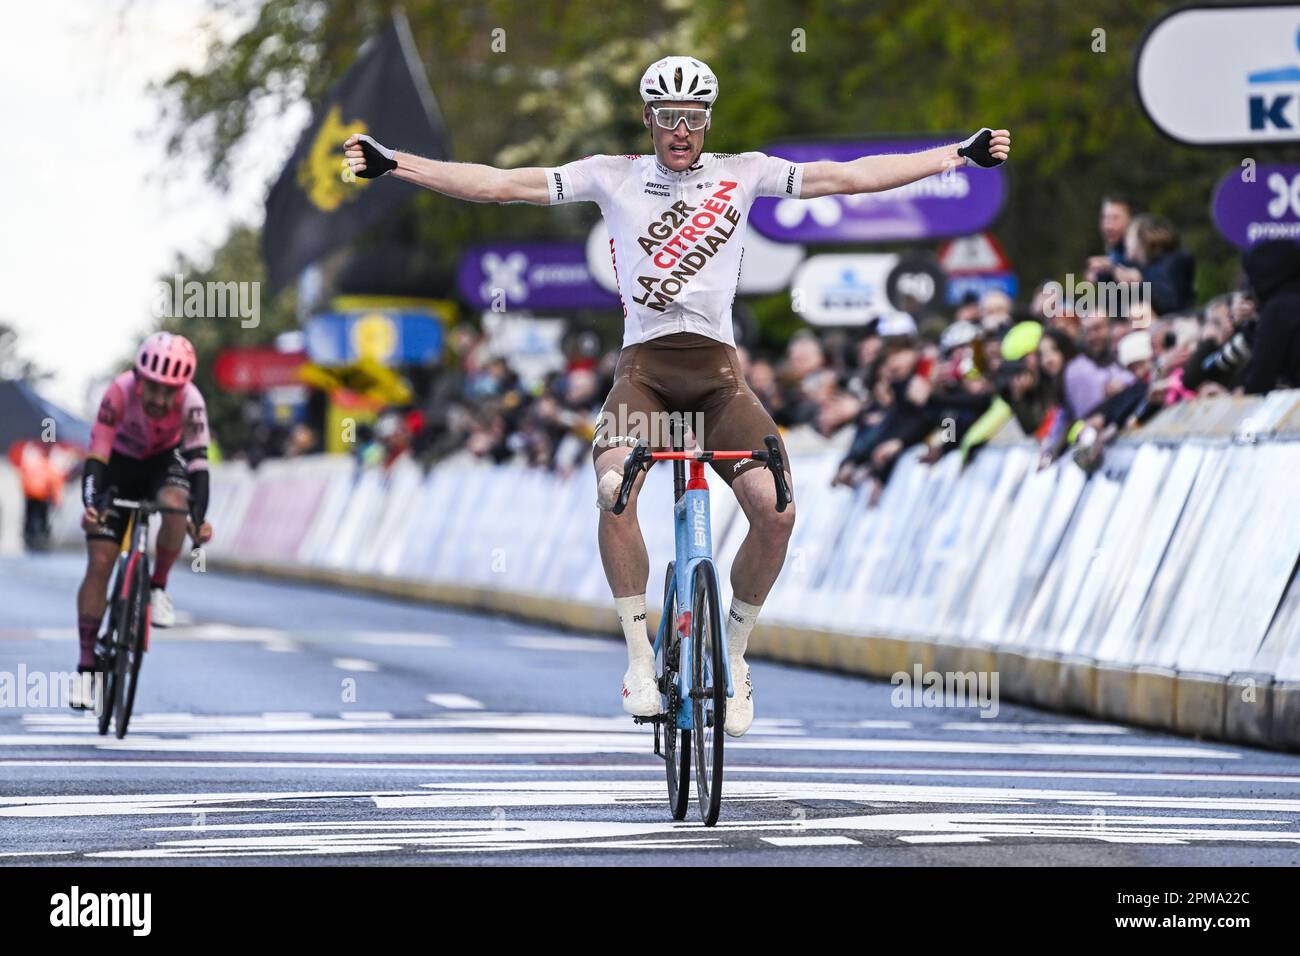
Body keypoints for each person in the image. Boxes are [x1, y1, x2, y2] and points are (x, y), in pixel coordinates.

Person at [343, 55, 1011, 735]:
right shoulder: (612, 175)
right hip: (645, 378)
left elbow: (851, 177)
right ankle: (639, 657)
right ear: (649, 119)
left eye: (693, 118)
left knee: (776, 512)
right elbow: (498, 186)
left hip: (720, 379)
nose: (681, 131)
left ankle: (736, 652)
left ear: (707, 120)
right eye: (669, 118)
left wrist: (955, 154)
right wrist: (395, 162)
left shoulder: (743, 172)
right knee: (612, 490)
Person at [75, 332, 213, 702]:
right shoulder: (118, 393)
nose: (160, 400)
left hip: (160, 464)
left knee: (175, 503)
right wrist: (91, 505)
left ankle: (158, 586)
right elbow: (97, 456)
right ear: (139, 380)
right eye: (152, 388)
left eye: (170, 391)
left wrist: (198, 518)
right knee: (100, 562)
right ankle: (87, 667)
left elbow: (199, 465)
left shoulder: (192, 403)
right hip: (116, 468)